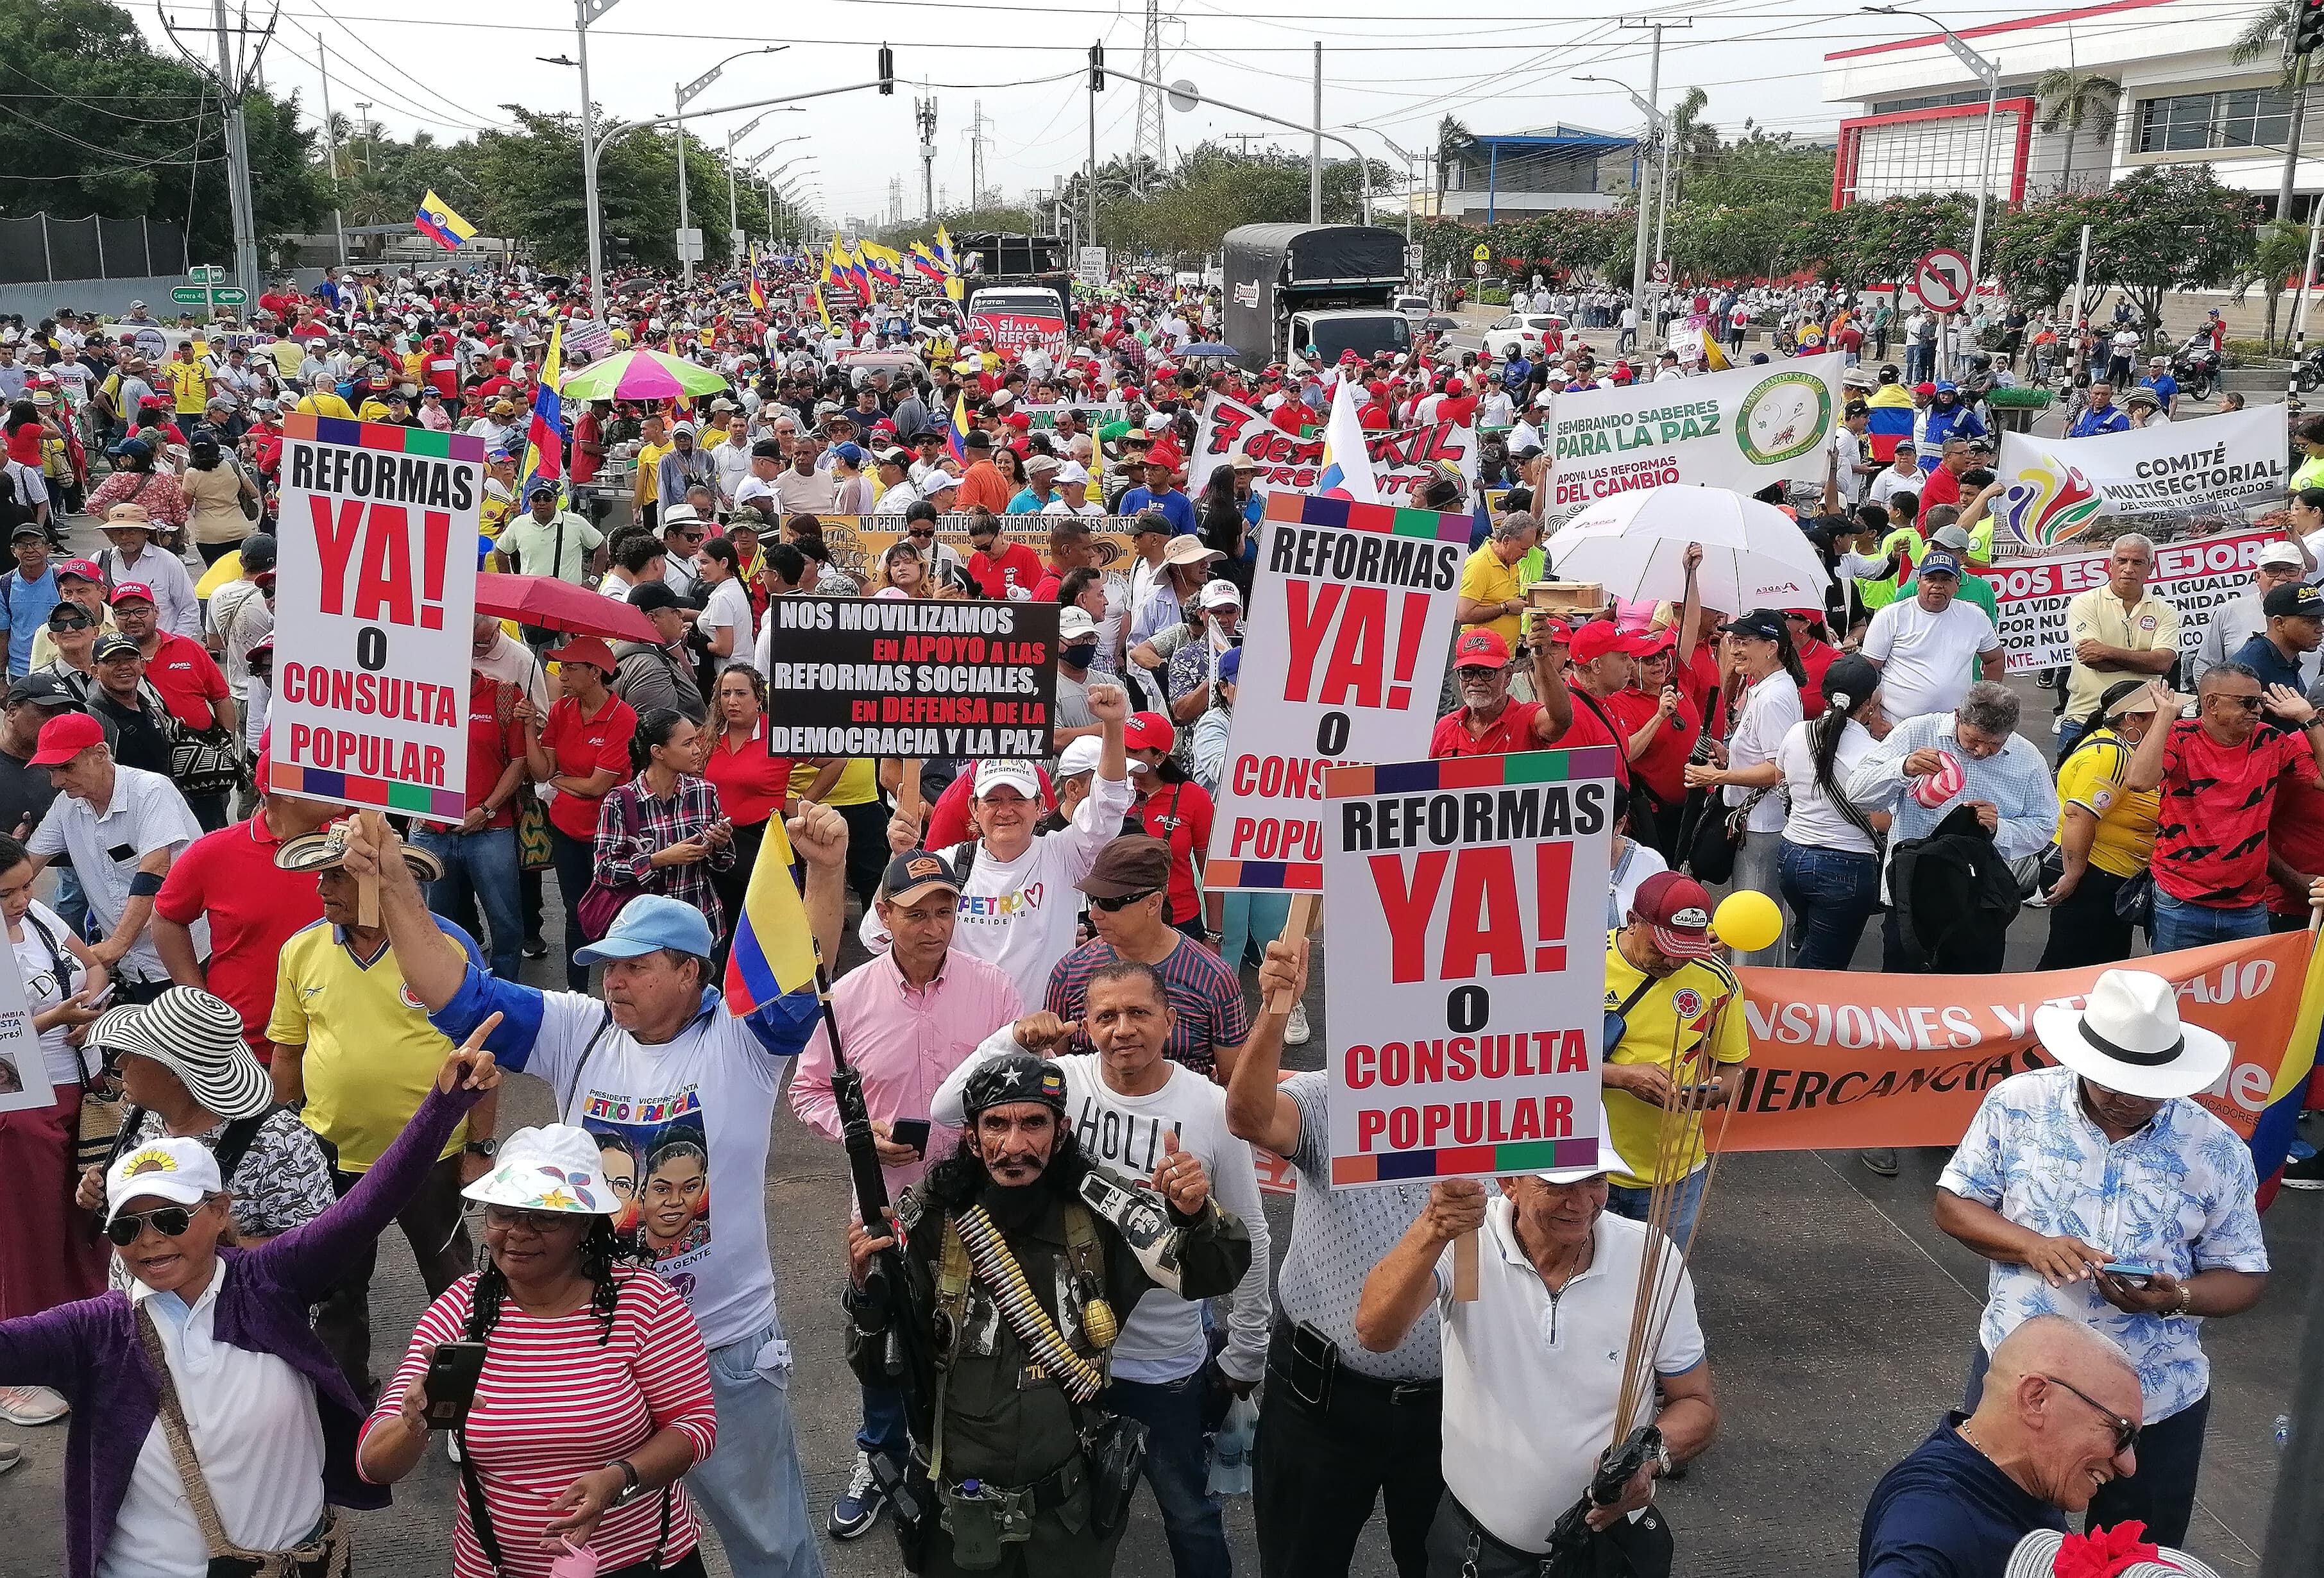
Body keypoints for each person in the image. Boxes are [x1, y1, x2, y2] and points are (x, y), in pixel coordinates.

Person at [362, 804, 849, 1578]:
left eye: (635, 966)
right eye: (606, 965)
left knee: (770, 1545)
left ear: (692, 972)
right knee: (606, 1545)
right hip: (596, 1345)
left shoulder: (741, 1039)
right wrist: (390, 882)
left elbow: (797, 983)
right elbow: (458, 993)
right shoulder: (577, 1029)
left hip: (724, 1342)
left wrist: (824, 871)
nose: (612, 982)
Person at [0, 1028, 498, 1578]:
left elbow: (370, 1203)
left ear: (218, 1212)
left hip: (302, 1564)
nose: (150, 1240)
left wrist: (445, 1105)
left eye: (170, 1219)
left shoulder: (270, 1282)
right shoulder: (93, 1330)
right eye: (125, 1226)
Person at [865, 1032, 1253, 1578]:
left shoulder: (1099, 1209)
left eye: (1034, 1124)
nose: (1014, 1145)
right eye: (996, 1125)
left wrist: (1194, 1216)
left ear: (1061, 1130)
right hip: (960, 1516)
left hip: (1067, 1519)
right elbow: (883, 1368)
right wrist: (865, 1293)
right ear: (972, 1139)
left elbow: (1211, 1272)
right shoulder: (933, 1219)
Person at [1936, 971, 2268, 1545]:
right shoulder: (2017, 1104)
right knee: (1989, 1540)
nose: (2125, 1097)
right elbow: (1952, 1204)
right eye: (2111, 1082)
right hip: (2025, 1383)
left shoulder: (2216, 1148)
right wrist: (2031, 1245)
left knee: (2136, 1552)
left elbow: (2244, 1274)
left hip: (2157, 1394)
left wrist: (2177, 1297)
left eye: (2145, 1085)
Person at [1352, 1108, 1716, 1578]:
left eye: (1595, 1180)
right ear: (1509, 1183)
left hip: (1606, 1551)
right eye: (1559, 1185)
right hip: (1475, 1553)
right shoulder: (1467, 1245)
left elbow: (1695, 1402)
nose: (1582, 1203)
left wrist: (1650, 1456)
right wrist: (1432, 1228)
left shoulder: (1650, 1258)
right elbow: (1375, 1333)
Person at [358, 1123, 722, 1578]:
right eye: (504, 1212)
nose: (519, 1232)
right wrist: (414, 1424)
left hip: (642, 1564)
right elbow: (373, 1465)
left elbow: (694, 1426)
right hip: (498, 1569)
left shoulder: (644, 1304)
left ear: (584, 1224)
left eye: (546, 1216)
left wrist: (617, 1478)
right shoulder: (459, 1311)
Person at [788, 848, 1024, 1541]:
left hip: (978, 1205)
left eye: (944, 910)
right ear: (883, 915)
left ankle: (963, 1465)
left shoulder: (994, 990)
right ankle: (880, 1455)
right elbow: (807, 1092)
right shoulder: (849, 998)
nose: (932, 926)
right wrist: (863, 1134)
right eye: (915, 913)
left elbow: (1023, 1083)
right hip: (885, 1202)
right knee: (882, 1333)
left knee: (978, 1335)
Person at [1221, 933, 1439, 1578]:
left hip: (1457, 1410)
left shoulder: (1507, 1109)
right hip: (1320, 1402)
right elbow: (1248, 1118)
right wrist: (1275, 1009)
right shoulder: (1329, 1094)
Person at [267, 820, 493, 1398]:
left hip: (432, 1156)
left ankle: (462, 1402)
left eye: (337, 875)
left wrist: (478, 1149)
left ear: (380, 878)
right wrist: (284, 1137)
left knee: (451, 1281)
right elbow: (287, 1053)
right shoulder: (301, 950)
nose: (322, 889)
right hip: (330, 1157)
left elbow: (484, 1057)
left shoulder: (447, 946)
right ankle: (347, 1400)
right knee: (338, 1287)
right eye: (321, 875)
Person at [875, 684, 1135, 1008]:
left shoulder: (1064, 855)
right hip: (966, 1043)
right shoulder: (948, 865)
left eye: (1018, 799)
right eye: (993, 800)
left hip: (1042, 1040)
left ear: (1040, 805)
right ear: (974, 808)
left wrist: (1113, 726)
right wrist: (899, 859)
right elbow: (876, 936)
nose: (1006, 810)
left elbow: (1107, 806)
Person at [1859, 1316, 2142, 1578]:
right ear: (2036, 1400)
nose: (2129, 1465)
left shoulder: (2021, 1477)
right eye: (2122, 1432)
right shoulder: (1929, 1524)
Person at [76, 988, 334, 1263]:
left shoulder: (279, 1140)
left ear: (176, 1073)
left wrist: (223, 1247)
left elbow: (321, 1243)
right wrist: (106, 1193)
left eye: (135, 1052)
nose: (120, 1061)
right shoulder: (142, 1115)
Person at [0, 833, 109, 1423]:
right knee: (27, 1228)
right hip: (15, 1101)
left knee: (80, 1216)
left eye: (24, 886)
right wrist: (55, 1018)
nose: (22, 899)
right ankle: (15, 1367)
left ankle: (75, 1330)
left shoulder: (37, 911)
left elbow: (91, 960)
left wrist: (88, 1004)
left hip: (72, 1083)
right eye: (8, 892)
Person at [1845, 683, 2058, 972]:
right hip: (1912, 894)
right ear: (1958, 716)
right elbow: (1857, 791)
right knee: (1903, 992)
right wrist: (1902, 768)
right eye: (1973, 740)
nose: (1982, 750)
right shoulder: (1917, 732)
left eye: (1995, 745)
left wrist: (2000, 830)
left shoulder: (2027, 759)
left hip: (1980, 900)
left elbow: (2045, 824)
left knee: (1972, 998)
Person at [1596, 872, 1746, 1250]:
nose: (1671, 960)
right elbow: (1539, 1065)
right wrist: (1621, 1077)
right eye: (1661, 946)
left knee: (1660, 1290)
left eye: (1682, 951)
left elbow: (1733, 1069)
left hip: (1674, 1175)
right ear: (1633, 921)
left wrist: (1715, 1092)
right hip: (1590, 1170)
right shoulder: (1583, 965)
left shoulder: (1717, 981)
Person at [2125, 668, 2324, 950]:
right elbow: (2138, 781)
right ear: (2212, 703)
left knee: (2251, 995)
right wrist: (2165, 716)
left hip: (2249, 907)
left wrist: (2309, 719)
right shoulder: (2181, 737)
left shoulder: (2270, 741)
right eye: (2247, 702)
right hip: (2181, 903)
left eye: (2260, 702)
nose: (2257, 710)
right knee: (2177, 994)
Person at [22, 714, 201, 1003]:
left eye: (66, 768)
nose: (56, 782)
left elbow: (155, 869)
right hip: (132, 966)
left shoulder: (151, 791)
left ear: (100, 753)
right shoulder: (66, 807)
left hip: (184, 954)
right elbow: (27, 865)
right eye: (51, 771)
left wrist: (116, 945)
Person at [518, 637, 637, 991]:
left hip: (612, 834)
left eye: (571, 668)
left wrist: (560, 781)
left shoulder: (622, 717)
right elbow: (541, 772)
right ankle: (577, 992)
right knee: (575, 911)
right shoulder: (560, 711)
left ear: (596, 673)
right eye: (562, 667)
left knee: (618, 911)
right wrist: (528, 728)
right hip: (567, 830)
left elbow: (598, 786)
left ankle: (622, 987)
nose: (562, 675)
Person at [1774, 653, 1888, 969]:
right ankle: (1794, 1014)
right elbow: (1883, 819)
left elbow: (1779, 779)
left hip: (1792, 857)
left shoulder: (1796, 733)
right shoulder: (1873, 753)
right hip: (1845, 868)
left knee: (1813, 945)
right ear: (1868, 704)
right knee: (1823, 969)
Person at [2039, 681, 2163, 971]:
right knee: (2071, 966)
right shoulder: (2112, 756)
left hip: (2106, 877)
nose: (2170, 721)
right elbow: (2079, 815)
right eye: (2161, 714)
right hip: (2095, 877)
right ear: (2132, 719)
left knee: (2095, 963)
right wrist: (2074, 874)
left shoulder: (2122, 749)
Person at [593, 709, 738, 952]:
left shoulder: (705, 792)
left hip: (703, 924)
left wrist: (721, 845)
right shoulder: (620, 801)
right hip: (646, 935)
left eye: (696, 742)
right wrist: (659, 860)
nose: (697, 750)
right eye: (688, 744)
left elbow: (723, 865)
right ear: (658, 752)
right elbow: (604, 871)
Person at [2057, 536, 2178, 754]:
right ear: (2110, 566)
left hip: (2143, 721)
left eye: (2138, 562)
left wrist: (2107, 651)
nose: (2128, 569)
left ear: (2151, 567)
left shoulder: (2165, 611)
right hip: (2085, 717)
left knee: (2142, 788)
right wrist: (2145, 660)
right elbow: (2093, 661)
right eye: (2122, 561)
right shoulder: (2085, 602)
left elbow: (2163, 664)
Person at [1861, 552, 2006, 730]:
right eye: (1930, 579)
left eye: (1946, 580)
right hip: (1897, 725)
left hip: (1955, 727)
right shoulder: (1891, 617)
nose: (1938, 586)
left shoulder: (1975, 617)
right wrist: (1874, 717)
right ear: (1918, 582)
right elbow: (1866, 672)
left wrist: (1984, 703)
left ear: (1957, 585)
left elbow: (1995, 659)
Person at [2191, 541, 2313, 691]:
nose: (2282, 577)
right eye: (2272, 571)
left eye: (2291, 570)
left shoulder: (2319, 614)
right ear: (2257, 577)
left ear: (2304, 575)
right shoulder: (2230, 610)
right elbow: (2205, 664)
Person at [1454, 514, 1539, 656]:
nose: (1525, 555)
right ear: (1506, 541)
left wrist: (1525, 603)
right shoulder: (1479, 564)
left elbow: (1504, 597)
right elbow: (1464, 614)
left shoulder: (1511, 562)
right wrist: (1505, 608)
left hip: (1504, 656)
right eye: (1523, 549)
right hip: (1480, 658)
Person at [497, 480, 605, 588]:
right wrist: (509, 583)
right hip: (532, 595)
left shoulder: (576, 522)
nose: (542, 502)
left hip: (569, 596)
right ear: (529, 501)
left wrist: (593, 580)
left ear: (556, 500)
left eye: (547, 498)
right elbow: (500, 551)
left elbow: (601, 545)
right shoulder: (518, 524)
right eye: (536, 498)